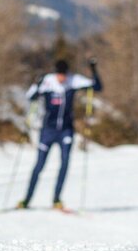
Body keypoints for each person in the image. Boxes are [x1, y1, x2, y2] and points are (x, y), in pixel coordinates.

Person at [18, 58, 103, 210]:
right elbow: (31, 97)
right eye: (59, 75)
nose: (61, 78)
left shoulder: (73, 80)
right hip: (48, 130)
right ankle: (26, 199)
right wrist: (37, 84)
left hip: (66, 130)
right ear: (55, 73)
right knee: (39, 165)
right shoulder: (47, 81)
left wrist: (94, 70)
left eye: (64, 75)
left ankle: (57, 199)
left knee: (64, 163)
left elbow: (97, 86)